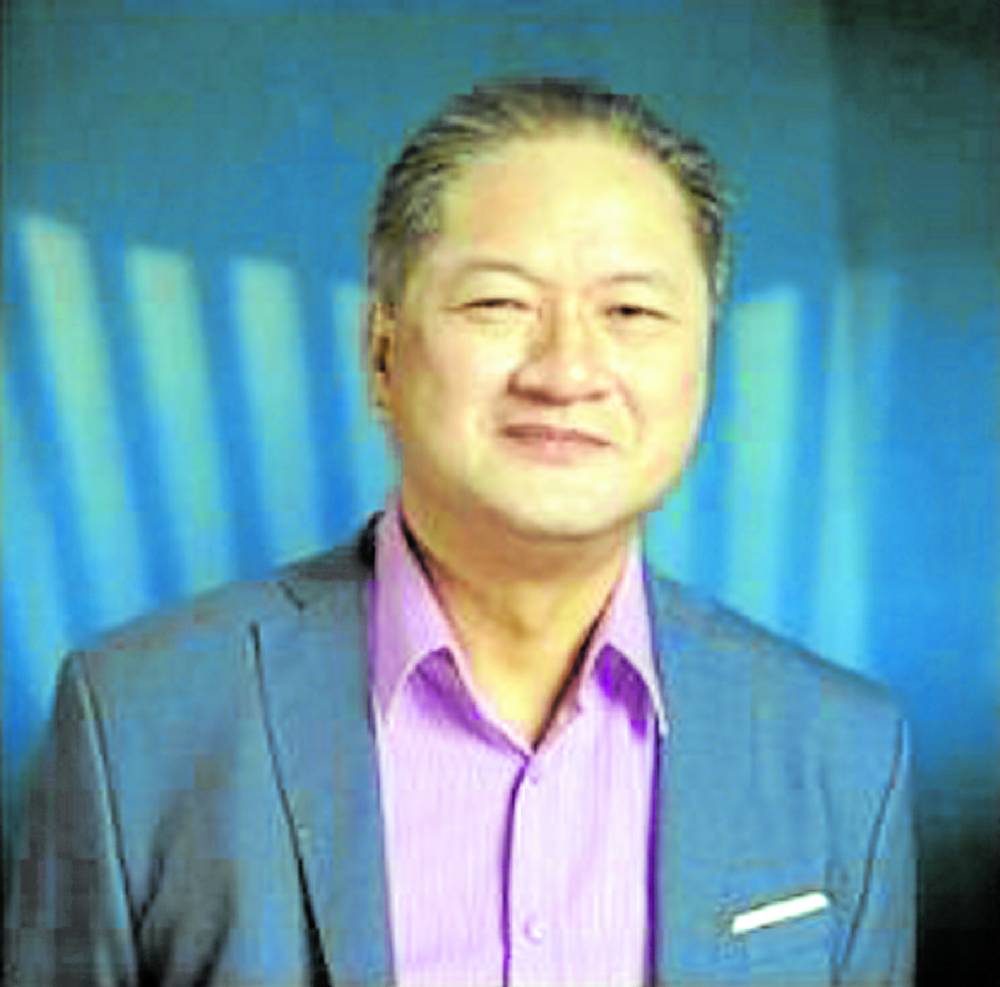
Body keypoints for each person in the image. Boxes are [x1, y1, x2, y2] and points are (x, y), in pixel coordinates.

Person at [5, 78, 914, 986]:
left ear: (704, 365)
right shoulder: (138, 724)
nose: (566, 371)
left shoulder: (842, 751)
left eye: (631, 312)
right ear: (381, 354)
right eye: (498, 304)